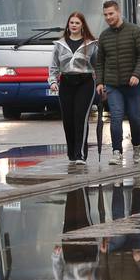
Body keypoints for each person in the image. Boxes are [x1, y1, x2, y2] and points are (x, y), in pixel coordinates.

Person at [95, 0, 140, 165]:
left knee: (134, 117)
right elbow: (100, 62)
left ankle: (137, 147)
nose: (108, 17)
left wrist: (136, 74)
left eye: (111, 13)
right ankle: (116, 152)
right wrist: (100, 82)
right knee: (116, 117)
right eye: (105, 15)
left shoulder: (134, 31)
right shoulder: (104, 36)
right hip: (112, 85)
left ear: (118, 12)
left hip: (132, 84)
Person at [48, 11, 99, 165]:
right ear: (68, 25)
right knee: (68, 120)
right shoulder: (59, 45)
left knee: (80, 117)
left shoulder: (90, 44)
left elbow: (98, 65)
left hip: (85, 83)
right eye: (72, 23)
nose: (74, 25)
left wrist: (101, 82)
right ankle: (71, 154)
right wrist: (53, 82)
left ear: (82, 25)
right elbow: (53, 66)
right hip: (66, 83)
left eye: (77, 23)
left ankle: (80, 155)